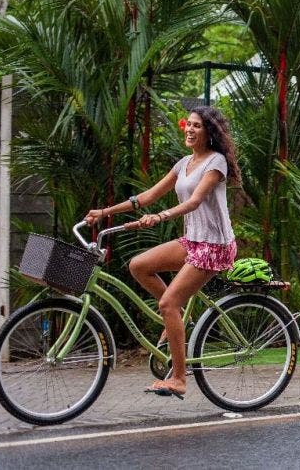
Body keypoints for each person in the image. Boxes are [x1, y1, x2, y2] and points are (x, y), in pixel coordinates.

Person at [84, 105, 240, 398]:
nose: (190, 130)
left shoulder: (216, 162)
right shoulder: (184, 163)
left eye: (197, 126)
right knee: (138, 265)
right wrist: (104, 212)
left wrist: (160, 217)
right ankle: (176, 314)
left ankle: (179, 378)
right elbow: (147, 196)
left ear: (209, 132)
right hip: (192, 240)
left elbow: (194, 202)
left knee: (166, 304)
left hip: (214, 245)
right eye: (188, 125)